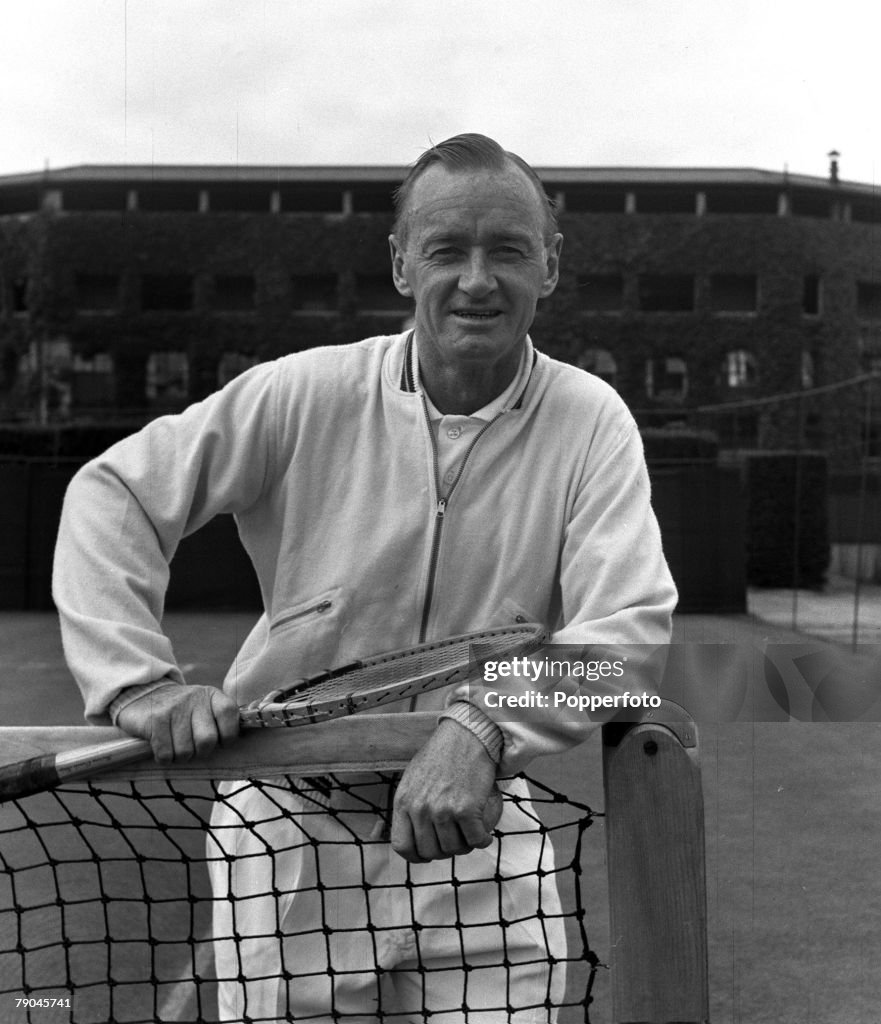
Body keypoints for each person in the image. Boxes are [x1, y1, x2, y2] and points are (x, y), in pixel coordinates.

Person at [53, 133, 677, 1022]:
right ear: (398, 265)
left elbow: (630, 632)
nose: (475, 280)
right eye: (445, 251)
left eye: (506, 250)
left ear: (549, 265)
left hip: (479, 825)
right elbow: (113, 493)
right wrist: (134, 681)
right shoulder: (300, 393)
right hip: (288, 826)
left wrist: (482, 728)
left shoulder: (589, 420)